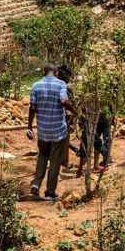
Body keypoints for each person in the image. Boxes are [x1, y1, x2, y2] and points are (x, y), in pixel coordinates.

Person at [27, 64, 73, 201]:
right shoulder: (61, 84)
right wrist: (74, 110)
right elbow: (63, 100)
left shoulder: (35, 86)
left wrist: (29, 127)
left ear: (44, 72)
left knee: (42, 156)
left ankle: (36, 183)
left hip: (43, 130)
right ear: (56, 72)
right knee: (55, 161)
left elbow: (32, 107)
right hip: (58, 130)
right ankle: (50, 192)